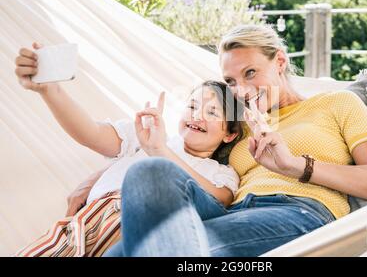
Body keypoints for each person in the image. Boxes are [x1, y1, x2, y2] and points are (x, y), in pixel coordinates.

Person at [105, 24, 367, 257]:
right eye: (232, 82)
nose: (242, 90)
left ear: (280, 62)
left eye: (251, 73)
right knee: (148, 172)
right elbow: (187, 159)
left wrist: (295, 166)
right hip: (228, 213)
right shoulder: (236, 125)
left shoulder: (336, 104)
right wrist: (102, 175)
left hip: (296, 213)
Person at [14, 43, 244, 256]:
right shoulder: (144, 133)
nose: (197, 115)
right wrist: (51, 91)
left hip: (135, 227)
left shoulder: (219, 172)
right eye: (192, 106)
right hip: (82, 225)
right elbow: (90, 133)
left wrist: (160, 150)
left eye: (212, 112)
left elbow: (217, 200)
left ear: (229, 134)